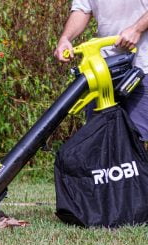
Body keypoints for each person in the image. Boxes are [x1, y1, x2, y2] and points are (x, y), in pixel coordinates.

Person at [54, 0, 148, 141]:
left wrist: (137, 29)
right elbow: (82, 9)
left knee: (138, 138)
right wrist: (65, 38)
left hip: (143, 66)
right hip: (103, 70)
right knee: (100, 139)